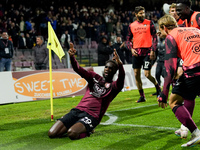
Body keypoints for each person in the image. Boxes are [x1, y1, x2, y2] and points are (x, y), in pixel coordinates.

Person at [48, 43, 125, 140]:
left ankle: (88, 131)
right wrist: (72, 57)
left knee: (72, 133)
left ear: (114, 71)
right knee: (52, 133)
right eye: (106, 67)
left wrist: (120, 64)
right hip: (77, 110)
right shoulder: (94, 77)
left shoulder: (114, 87)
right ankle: (75, 125)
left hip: (92, 115)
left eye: (111, 68)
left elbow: (121, 79)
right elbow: (78, 69)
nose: (107, 69)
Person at [157, 14, 200, 147]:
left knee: (174, 101)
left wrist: (164, 93)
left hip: (195, 70)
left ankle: (195, 133)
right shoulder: (195, 30)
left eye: (160, 29)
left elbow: (170, 68)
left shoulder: (171, 37)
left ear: (164, 27)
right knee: (189, 97)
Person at [126, 6, 161, 103]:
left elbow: (155, 38)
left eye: (143, 13)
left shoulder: (150, 23)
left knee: (147, 74)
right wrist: (131, 49)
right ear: (136, 14)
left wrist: (153, 50)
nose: (143, 15)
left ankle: (157, 87)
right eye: (141, 13)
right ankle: (142, 96)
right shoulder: (131, 26)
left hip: (148, 52)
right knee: (136, 75)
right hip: (136, 53)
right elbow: (128, 40)